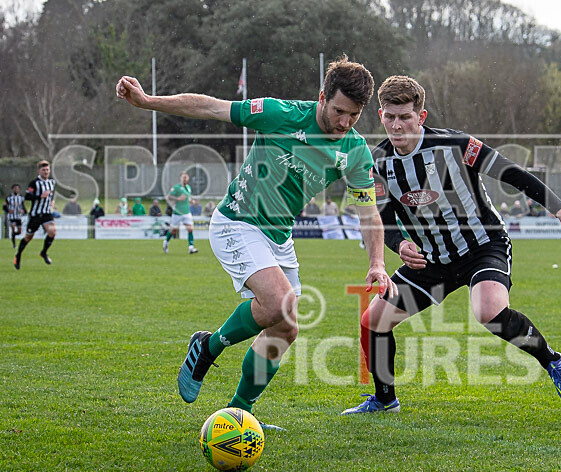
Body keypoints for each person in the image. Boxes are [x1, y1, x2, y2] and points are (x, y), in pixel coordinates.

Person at [115, 56, 395, 426]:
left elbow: (367, 211)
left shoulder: (355, 151)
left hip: (279, 238)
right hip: (237, 222)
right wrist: (149, 101)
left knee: (285, 328)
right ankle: (208, 347)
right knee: (279, 303)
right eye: (339, 111)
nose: (345, 123)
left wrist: (376, 262)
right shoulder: (278, 113)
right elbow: (210, 107)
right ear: (322, 96)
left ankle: (240, 414)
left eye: (354, 116)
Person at [341, 75, 561, 415]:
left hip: (482, 246)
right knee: (373, 321)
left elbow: (512, 173)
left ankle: (553, 362)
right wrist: (399, 245)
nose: (396, 125)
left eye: (405, 117)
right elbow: (382, 218)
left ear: (421, 117)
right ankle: (385, 400)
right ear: (381, 115)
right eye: (389, 116)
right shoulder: (377, 163)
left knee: (489, 312)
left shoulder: (458, 146)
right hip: (432, 260)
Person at [14, 160, 56, 269]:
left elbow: (51, 194)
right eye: (43, 170)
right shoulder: (34, 183)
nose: (46, 172)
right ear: (39, 171)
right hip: (35, 215)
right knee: (28, 237)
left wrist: (52, 201)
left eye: (47, 170)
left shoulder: (52, 182)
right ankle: (18, 256)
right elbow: (27, 197)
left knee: (52, 231)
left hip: (46, 213)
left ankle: (43, 252)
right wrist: (40, 196)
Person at [164, 172, 198, 254]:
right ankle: (166, 242)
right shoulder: (176, 188)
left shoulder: (188, 188)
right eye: (183, 177)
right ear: (180, 178)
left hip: (186, 212)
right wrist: (178, 199)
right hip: (177, 212)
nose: (185, 179)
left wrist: (192, 202)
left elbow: (188, 198)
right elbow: (169, 196)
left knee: (190, 229)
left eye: (186, 177)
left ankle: (191, 248)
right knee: (173, 231)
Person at [4, 184, 26, 249]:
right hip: (12, 217)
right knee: (13, 228)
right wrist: (9, 210)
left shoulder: (21, 197)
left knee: (19, 232)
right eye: (15, 188)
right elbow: (4, 206)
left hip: (18, 217)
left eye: (17, 188)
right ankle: (14, 244)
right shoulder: (8, 197)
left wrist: (22, 211)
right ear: (12, 189)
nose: (16, 189)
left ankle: (13, 235)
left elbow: (23, 207)